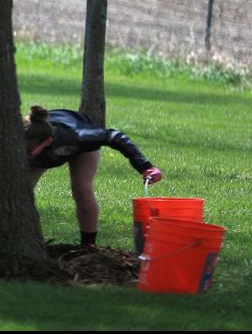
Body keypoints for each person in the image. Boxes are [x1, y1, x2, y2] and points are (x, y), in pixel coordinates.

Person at [24, 105, 163, 246]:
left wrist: (145, 167)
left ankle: (88, 246)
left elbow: (115, 137)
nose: (24, 154)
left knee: (82, 191)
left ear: (47, 142)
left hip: (80, 145)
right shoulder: (16, 137)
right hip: (45, 146)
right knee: (22, 193)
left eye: (29, 151)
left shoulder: (79, 136)